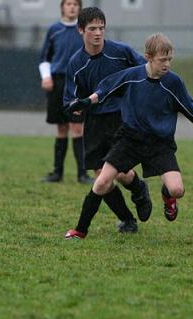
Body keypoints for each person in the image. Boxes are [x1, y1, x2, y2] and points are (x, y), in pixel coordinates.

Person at [64, 33, 193, 239]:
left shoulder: (173, 82)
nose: (167, 64)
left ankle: (166, 195)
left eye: (170, 59)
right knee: (101, 182)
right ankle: (80, 230)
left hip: (160, 145)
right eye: (162, 60)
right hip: (129, 140)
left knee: (177, 189)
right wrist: (87, 102)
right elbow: (105, 89)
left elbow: (192, 107)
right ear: (148, 57)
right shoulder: (132, 75)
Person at [62, 7, 151, 237]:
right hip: (94, 122)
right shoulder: (76, 63)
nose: (98, 33)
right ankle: (127, 219)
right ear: (81, 30)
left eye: (101, 28)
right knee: (101, 174)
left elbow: (145, 70)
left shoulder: (120, 52)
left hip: (121, 119)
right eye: (92, 29)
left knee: (116, 173)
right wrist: (78, 106)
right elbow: (69, 100)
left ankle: (138, 189)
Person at [38, 0, 93, 184]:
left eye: (75, 4)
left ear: (80, 7)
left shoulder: (84, 30)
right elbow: (45, 57)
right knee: (61, 128)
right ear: (62, 6)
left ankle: (82, 174)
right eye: (68, 3)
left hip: (78, 83)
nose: (72, 7)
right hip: (58, 82)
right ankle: (57, 173)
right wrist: (46, 77)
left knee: (78, 128)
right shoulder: (54, 30)